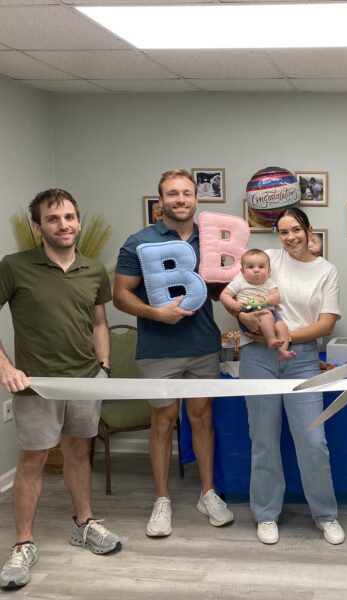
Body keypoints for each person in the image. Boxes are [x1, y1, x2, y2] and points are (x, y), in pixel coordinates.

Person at [0, 189, 122, 590]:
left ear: (79, 222)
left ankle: (84, 524)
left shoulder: (93, 270)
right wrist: (6, 368)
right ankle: (23, 544)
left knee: (78, 452)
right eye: (53, 219)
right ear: (38, 227)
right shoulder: (14, 266)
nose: (63, 225)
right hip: (37, 385)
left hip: (85, 380)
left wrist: (104, 367)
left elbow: (99, 322)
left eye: (69, 217)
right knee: (33, 460)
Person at [114, 169, 233, 538]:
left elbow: (216, 293)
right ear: (161, 200)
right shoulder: (139, 242)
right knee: (163, 422)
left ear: (196, 199)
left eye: (186, 193)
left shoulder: (209, 241)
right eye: (172, 193)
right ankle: (162, 500)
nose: (180, 199)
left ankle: (207, 494)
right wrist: (155, 313)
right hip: (158, 350)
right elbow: (120, 295)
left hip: (203, 346)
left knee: (202, 419)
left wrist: (236, 286)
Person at [235, 207, 344, 546]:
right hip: (257, 358)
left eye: (296, 229)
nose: (291, 237)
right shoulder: (267, 259)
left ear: (309, 230)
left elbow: (326, 324)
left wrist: (284, 338)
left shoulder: (326, 270)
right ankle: (266, 514)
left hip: (302, 359)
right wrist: (244, 318)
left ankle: (325, 515)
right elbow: (237, 296)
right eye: (283, 231)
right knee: (263, 439)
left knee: (313, 441)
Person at [219, 249, 294, 361]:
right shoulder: (240, 282)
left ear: (268, 271)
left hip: (271, 312)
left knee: (283, 327)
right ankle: (271, 340)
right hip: (249, 313)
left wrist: (264, 300)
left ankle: (282, 351)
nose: (256, 270)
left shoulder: (268, 282)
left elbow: (276, 298)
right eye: (250, 267)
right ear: (242, 271)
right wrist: (234, 304)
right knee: (267, 315)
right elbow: (224, 295)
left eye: (261, 267)